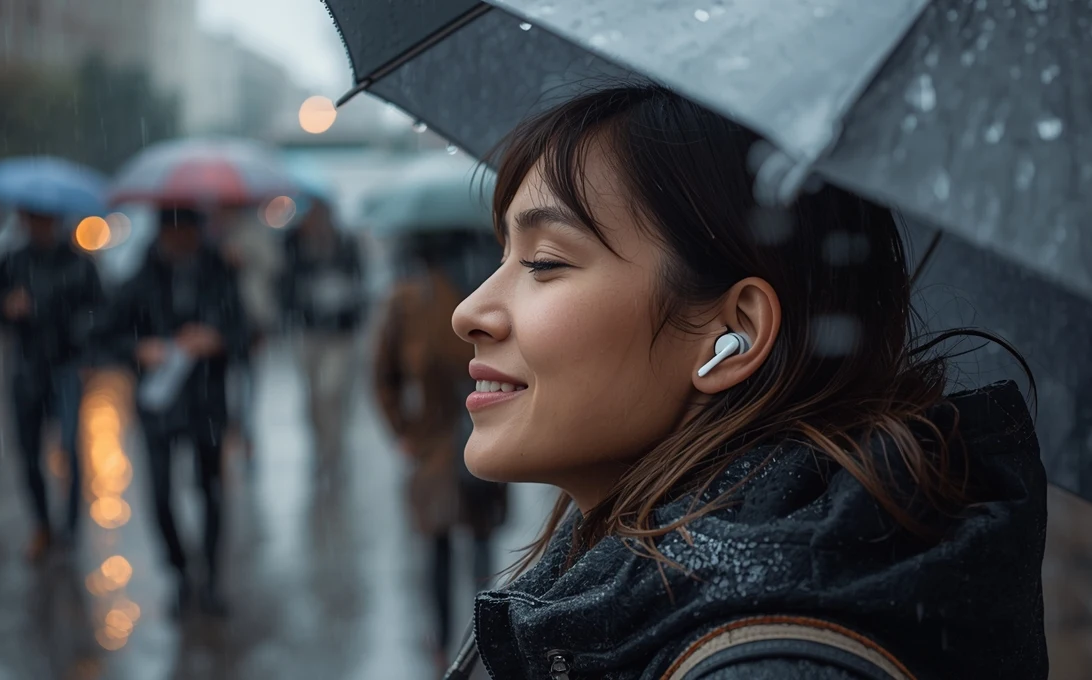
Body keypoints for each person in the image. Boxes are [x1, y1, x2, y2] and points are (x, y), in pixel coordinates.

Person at [442, 85, 1048, 679]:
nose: (468, 312)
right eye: (502, 257)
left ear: (734, 330)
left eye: (544, 262)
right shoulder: (611, 600)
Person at [97, 206, 248, 617]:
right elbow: (102, 335)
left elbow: (244, 331)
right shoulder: (139, 281)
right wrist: (138, 349)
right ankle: (180, 573)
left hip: (206, 404)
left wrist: (216, 340)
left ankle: (212, 578)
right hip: (158, 406)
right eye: (173, 232)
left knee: (212, 492)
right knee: (160, 495)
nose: (181, 241)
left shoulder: (221, 274)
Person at [374, 230, 508, 671]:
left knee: (479, 543)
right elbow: (383, 374)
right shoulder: (412, 300)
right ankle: (449, 639)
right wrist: (402, 430)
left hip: (481, 434)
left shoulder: (492, 285)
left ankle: (478, 639)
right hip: (436, 444)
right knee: (441, 544)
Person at [0, 208, 104, 561]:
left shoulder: (78, 263)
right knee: (28, 450)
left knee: (69, 445)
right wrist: (6, 307)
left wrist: (82, 342)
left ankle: (70, 527)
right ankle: (42, 524)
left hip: (67, 365)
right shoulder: (9, 263)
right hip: (26, 366)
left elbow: (98, 309)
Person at [279, 198, 365, 476]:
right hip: (309, 332)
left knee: (332, 390)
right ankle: (321, 447)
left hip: (340, 333)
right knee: (314, 396)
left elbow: (359, 281)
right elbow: (284, 285)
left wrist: (345, 296)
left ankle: (334, 449)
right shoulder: (294, 244)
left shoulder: (344, 243)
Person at [214, 205, 283, 467]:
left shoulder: (252, 232)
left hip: (249, 318)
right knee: (227, 384)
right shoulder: (212, 234)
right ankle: (230, 431)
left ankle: (245, 433)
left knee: (247, 382)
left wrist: (244, 258)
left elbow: (272, 266)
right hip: (220, 321)